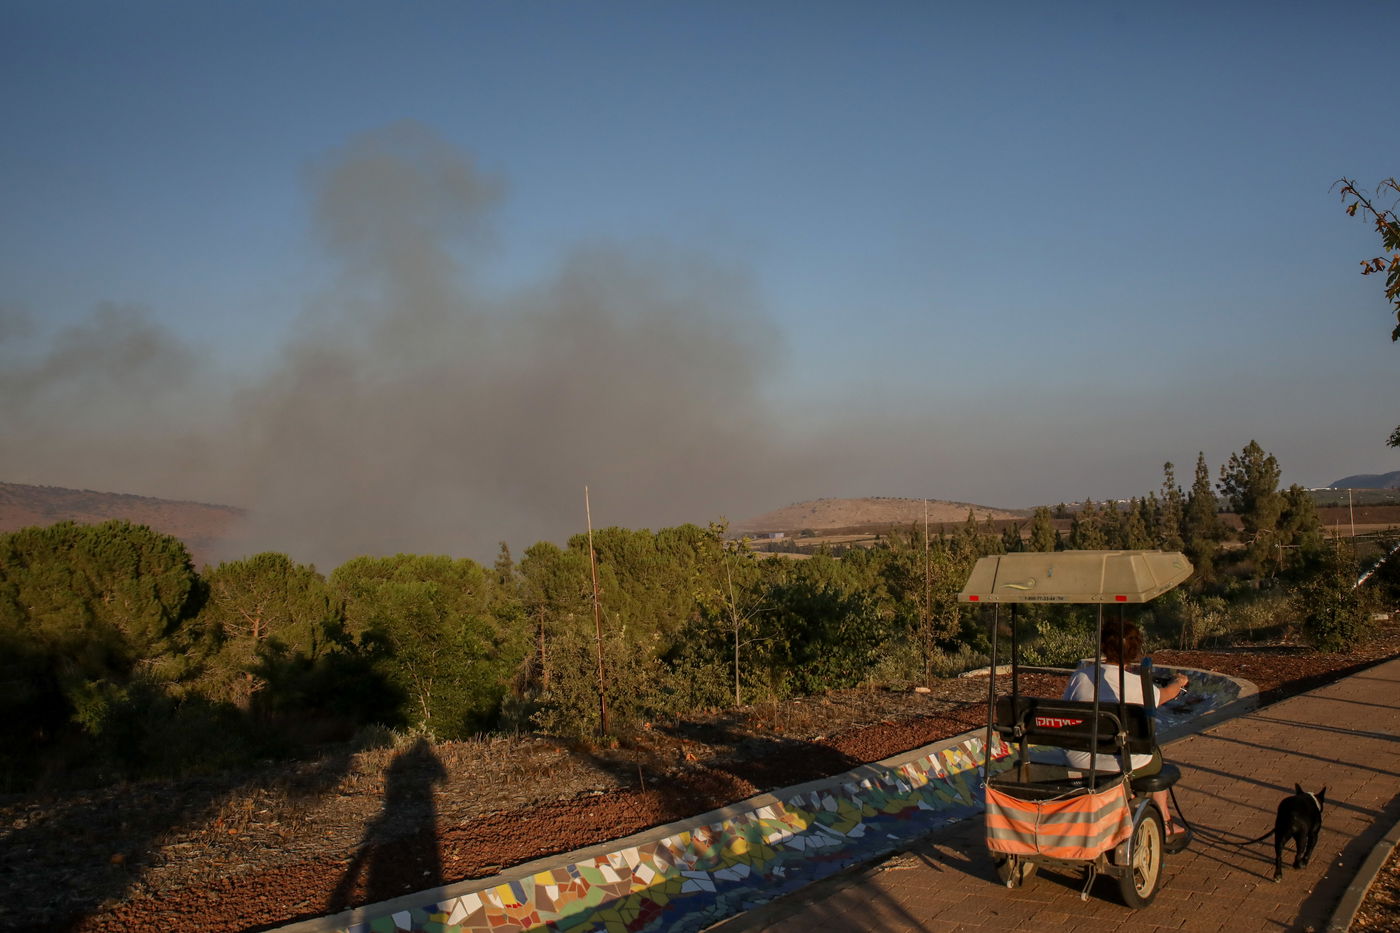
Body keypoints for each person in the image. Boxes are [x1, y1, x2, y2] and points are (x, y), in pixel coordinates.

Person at [1062, 619, 1189, 843]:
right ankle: (1166, 821)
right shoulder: (1136, 684)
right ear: (1134, 650)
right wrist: (1179, 682)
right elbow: (1165, 695)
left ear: (1103, 645)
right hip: (1122, 762)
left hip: (1079, 757)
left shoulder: (1079, 677)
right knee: (1153, 754)